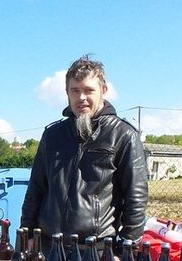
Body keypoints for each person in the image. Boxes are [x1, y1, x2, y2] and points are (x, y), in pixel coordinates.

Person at [21, 55, 148, 250]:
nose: (81, 98)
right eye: (75, 90)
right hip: (48, 247)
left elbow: (136, 198)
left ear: (103, 91)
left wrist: (124, 253)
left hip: (95, 252)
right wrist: (27, 234)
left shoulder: (123, 135)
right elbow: (35, 189)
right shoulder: (52, 135)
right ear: (67, 93)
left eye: (89, 90)